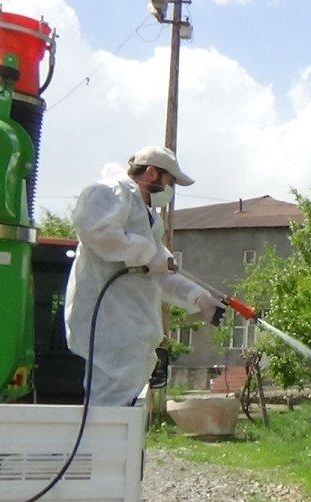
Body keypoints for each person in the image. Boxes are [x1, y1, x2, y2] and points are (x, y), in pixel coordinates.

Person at [64, 146, 223, 406]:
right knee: (109, 401)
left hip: (132, 325)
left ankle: (112, 445)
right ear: (151, 172)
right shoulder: (109, 192)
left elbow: (161, 272)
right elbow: (98, 235)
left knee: (123, 399)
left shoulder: (147, 217)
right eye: (169, 182)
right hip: (108, 318)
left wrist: (199, 299)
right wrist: (149, 253)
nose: (170, 191)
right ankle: (103, 446)